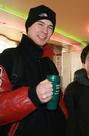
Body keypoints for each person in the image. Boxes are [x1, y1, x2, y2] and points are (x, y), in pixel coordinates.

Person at [0, 5, 67, 136]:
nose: (45, 31)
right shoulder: (8, 57)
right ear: (28, 26)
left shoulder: (49, 63)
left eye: (50, 27)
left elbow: (59, 99)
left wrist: (65, 117)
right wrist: (31, 96)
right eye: (40, 24)